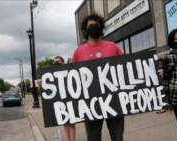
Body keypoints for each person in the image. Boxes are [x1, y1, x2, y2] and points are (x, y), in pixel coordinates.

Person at [71, 13, 124, 141]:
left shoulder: (114, 47)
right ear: (85, 30)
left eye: (96, 25)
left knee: (118, 137)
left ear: (101, 27)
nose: (94, 27)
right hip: (90, 104)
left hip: (114, 100)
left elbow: (127, 69)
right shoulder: (78, 52)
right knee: (93, 138)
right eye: (90, 25)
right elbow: (71, 77)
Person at [53, 56, 76, 141]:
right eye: (55, 62)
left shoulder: (68, 70)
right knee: (65, 122)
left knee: (71, 123)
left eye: (59, 62)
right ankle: (69, 139)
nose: (57, 64)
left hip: (69, 99)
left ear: (63, 62)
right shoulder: (53, 73)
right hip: (60, 101)